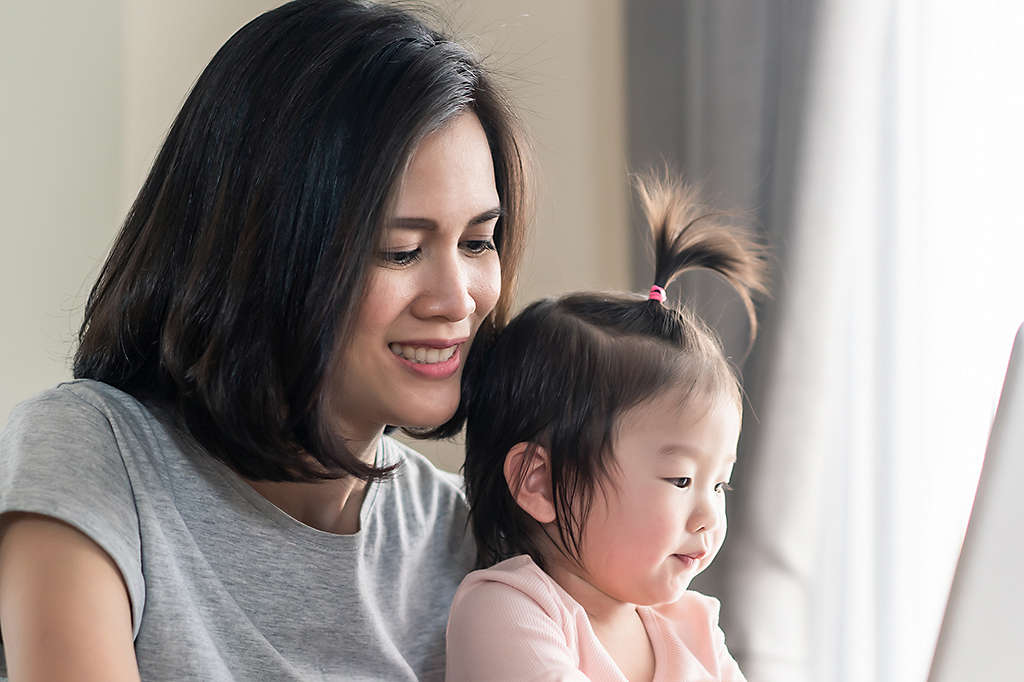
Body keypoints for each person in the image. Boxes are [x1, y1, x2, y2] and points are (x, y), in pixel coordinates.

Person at [0, 1, 532, 679]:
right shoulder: (95, 456)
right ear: (268, 251)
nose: (458, 298)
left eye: (478, 242)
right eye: (401, 251)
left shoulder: (468, 542)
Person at [442, 174, 767, 681]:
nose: (709, 517)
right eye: (681, 480)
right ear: (540, 482)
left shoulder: (693, 628)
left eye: (719, 484)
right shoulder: (507, 611)